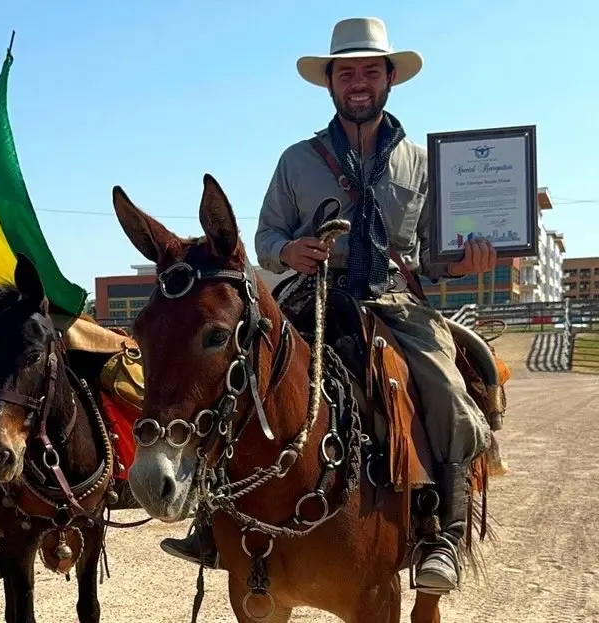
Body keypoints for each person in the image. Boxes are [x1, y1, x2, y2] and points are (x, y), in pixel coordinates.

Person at [160, 16, 495, 595]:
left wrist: (462, 263)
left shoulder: (422, 162)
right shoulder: (297, 160)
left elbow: (433, 252)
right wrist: (288, 248)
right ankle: (212, 517)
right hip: (306, 295)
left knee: (446, 389)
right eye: (347, 72)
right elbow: (264, 239)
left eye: (370, 70)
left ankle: (441, 529)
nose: (358, 81)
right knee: (236, 374)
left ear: (390, 77)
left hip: (392, 302)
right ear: (331, 84)